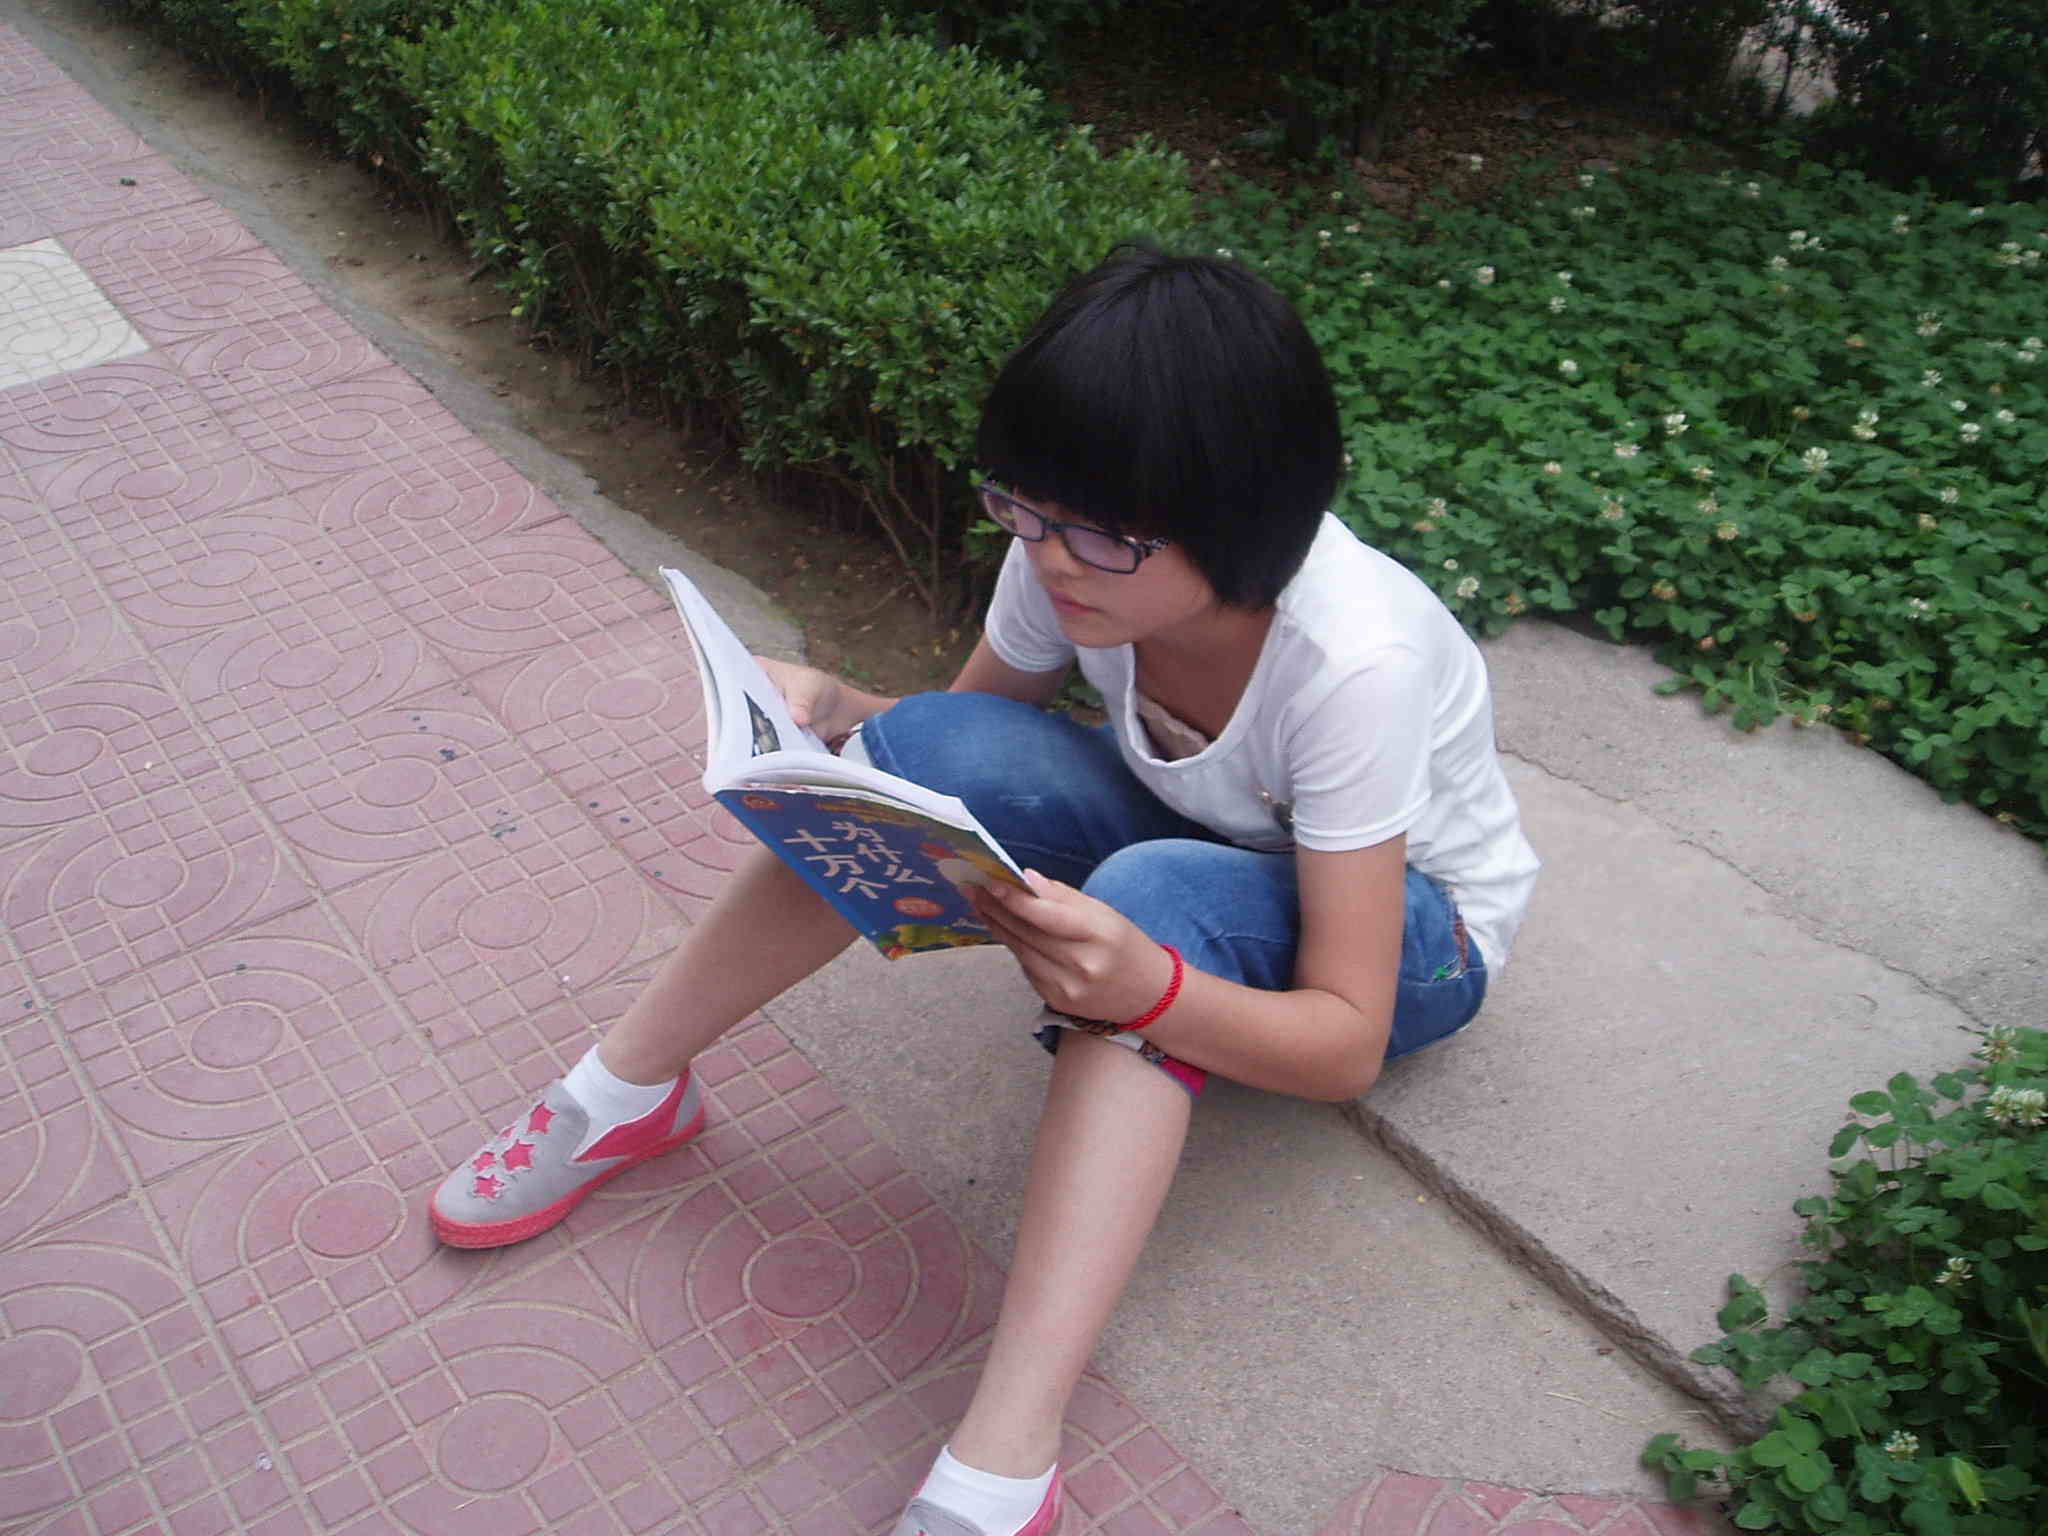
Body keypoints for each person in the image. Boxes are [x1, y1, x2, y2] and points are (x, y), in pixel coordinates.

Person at [428, 242, 1539, 1536]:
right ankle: (622, 1092)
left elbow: (1344, 1043)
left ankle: (1007, 1452)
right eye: (1023, 507)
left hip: (1415, 939)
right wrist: (836, 719)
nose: (1051, 559)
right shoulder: (1069, 554)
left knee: (1157, 899)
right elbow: (959, 760)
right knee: (900, 758)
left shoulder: (1353, 665)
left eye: (1098, 533)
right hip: (1203, 835)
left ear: (1240, 517)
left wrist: (1149, 988)